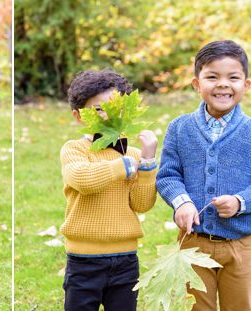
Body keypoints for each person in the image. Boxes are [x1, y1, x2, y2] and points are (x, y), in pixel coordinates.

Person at [156, 40, 251, 310]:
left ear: (246, 85)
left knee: (238, 306)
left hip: (239, 245)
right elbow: (168, 175)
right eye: (212, 77)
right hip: (193, 243)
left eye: (233, 77)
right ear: (196, 83)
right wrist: (182, 202)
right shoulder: (179, 129)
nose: (223, 84)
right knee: (198, 307)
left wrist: (240, 201)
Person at [60, 69, 158, 311]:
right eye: (99, 109)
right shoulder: (75, 150)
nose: (109, 115)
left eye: (117, 107)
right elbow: (83, 180)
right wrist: (121, 165)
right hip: (83, 262)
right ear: (79, 116)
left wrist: (146, 163)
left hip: (125, 260)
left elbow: (142, 204)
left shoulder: (133, 154)